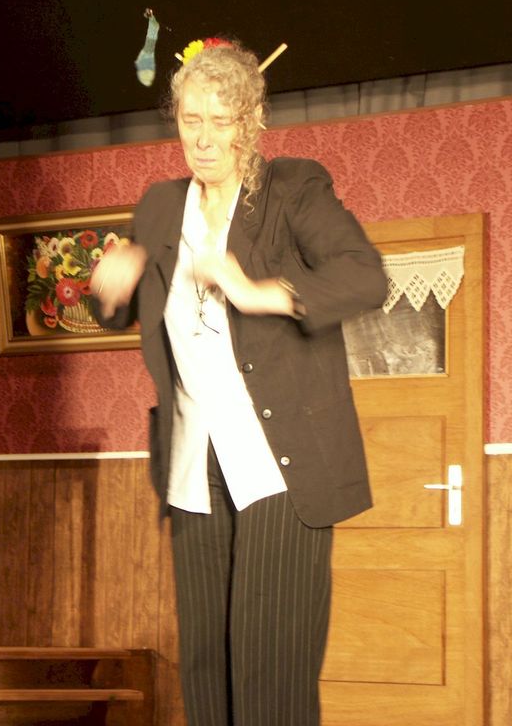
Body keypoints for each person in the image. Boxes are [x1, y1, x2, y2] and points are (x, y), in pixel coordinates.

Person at [93, 38, 387, 725]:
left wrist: (261, 293)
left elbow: (365, 276)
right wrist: (111, 286)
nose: (202, 138)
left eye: (219, 121)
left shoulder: (292, 190)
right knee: (206, 664)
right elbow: (122, 311)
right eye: (190, 119)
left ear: (250, 121)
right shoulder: (160, 206)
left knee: (270, 668)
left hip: (281, 463)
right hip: (194, 463)